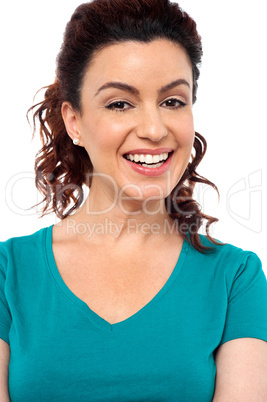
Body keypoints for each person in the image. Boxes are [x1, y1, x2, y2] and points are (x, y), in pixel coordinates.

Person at [0, 0, 266, 400]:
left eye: (173, 101)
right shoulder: (8, 273)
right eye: (119, 103)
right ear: (74, 121)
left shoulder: (235, 279)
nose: (154, 129)